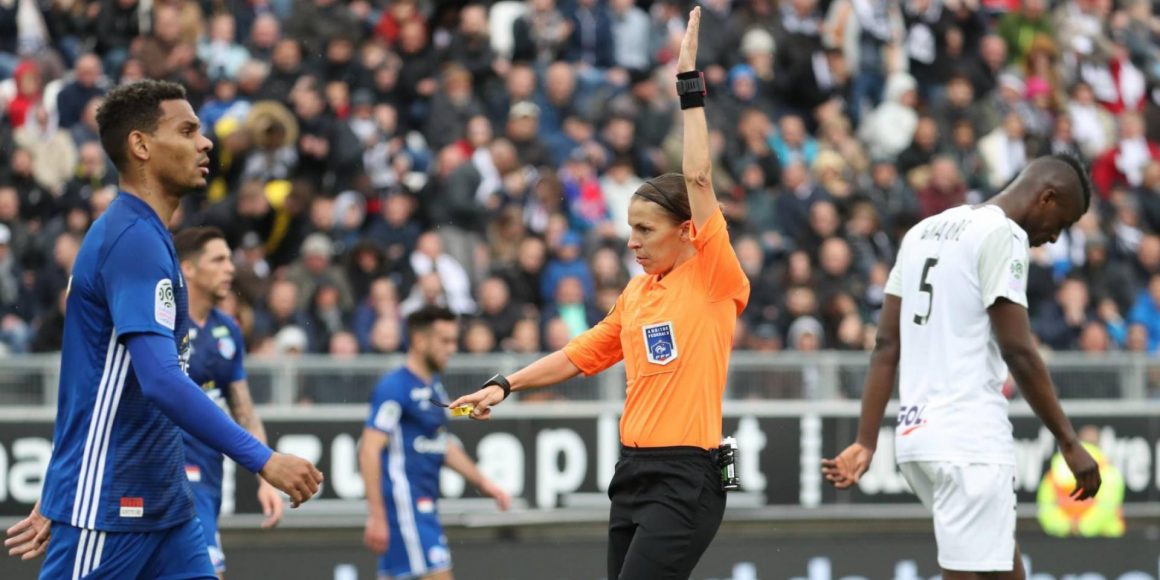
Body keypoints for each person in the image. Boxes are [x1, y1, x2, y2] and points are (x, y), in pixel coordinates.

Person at [450, 9, 751, 579]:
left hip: (688, 475)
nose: (631, 240)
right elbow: (577, 354)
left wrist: (688, 88)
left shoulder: (714, 276)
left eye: (645, 230)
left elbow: (700, 180)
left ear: (687, 231)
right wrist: (504, 384)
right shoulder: (637, 295)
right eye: (630, 228)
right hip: (633, 473)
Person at [4, 81, 323, 578]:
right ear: (141, 146)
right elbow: (160, 380)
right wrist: (263, 459)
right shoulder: (132, 239)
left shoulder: (150, 235)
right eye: (188, 129)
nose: (206, 142)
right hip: (112, 504)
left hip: (166, 504)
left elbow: (99, 375)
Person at [821, 153, 1103, 579]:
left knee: (1003, 569)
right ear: (1046, 197)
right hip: (969, 441)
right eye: (1060, 224)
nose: (1053, 238)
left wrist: (866, 440)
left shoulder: (922, 231)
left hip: (918, 440)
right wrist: (1068, 441)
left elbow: (885, 344)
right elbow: (1019, 351)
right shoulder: (1003, 234)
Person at [359, 305, 511, 580]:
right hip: (404, 510)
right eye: (445, 341)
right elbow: (369, 448)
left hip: (423, 508)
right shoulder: (394, 387)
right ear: (419, 341)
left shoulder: (434, 387)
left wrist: (484, 484)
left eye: (454, 340)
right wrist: (377, 515)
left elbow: (443, 444)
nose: (452, 348)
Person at [174, 226, 285, 578]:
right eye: (218, 260)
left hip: (208, 476)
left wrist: (266, 476)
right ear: (188, 268)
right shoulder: (163, 323)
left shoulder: (228, 330)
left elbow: (245, 411)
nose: (230, 269)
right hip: (167, 472)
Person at [1037, 425, 1125, 538]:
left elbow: (1045, 508)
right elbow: (1107, 507)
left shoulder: (1056, 467)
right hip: (1104, 541)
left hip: (1063, 541)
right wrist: (1083, 528)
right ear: (1100, 444)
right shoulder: (1107, 469)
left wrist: (1068, 527)